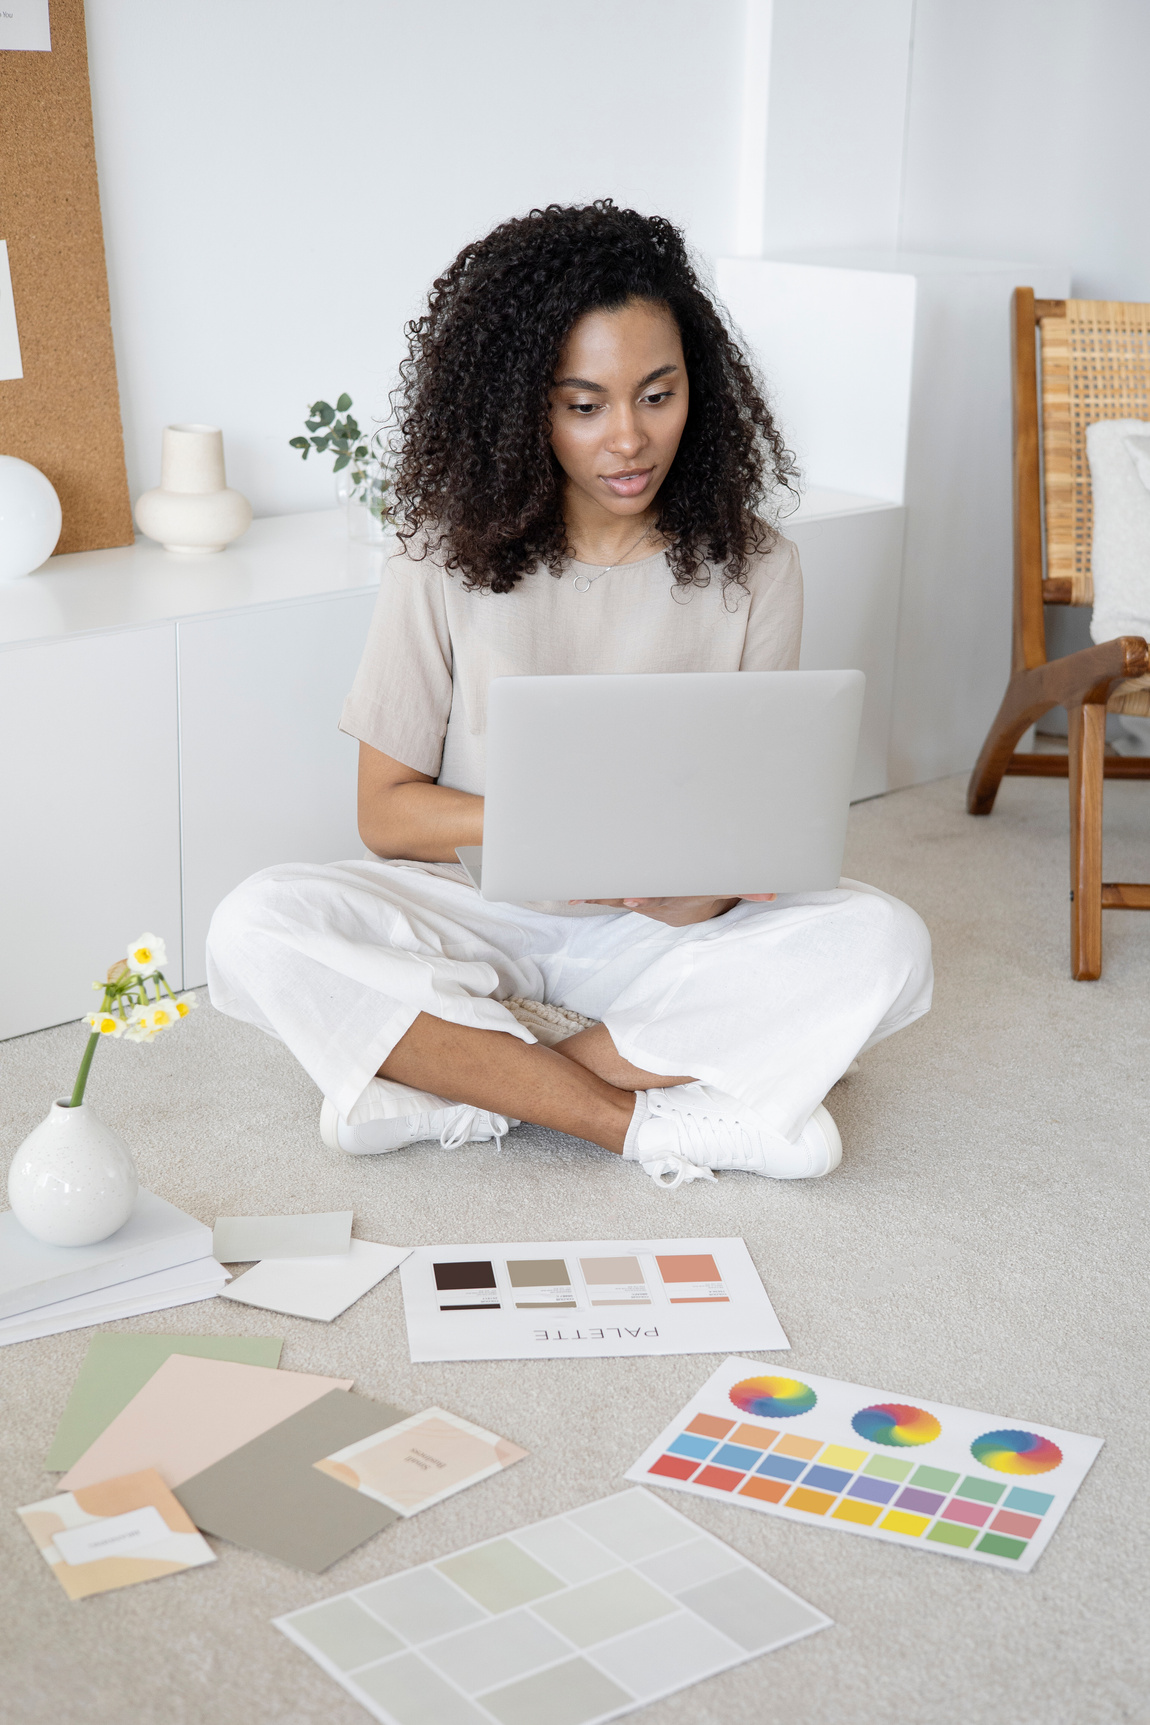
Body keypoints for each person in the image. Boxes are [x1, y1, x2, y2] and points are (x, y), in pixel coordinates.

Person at [207, 201, 932, 1189]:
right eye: (582, 405)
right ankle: (637, 1125)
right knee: (254, 923)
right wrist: (548, 832)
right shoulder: (438, 557)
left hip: (658, 933)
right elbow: (385, 814)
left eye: (657, 395)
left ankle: (462, 1088)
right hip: (474, 907)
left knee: (884, 944)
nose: (627, 439)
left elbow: (760, 826)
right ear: (522, 406)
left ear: (699, 392)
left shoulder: (758, 568)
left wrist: (700, 887)